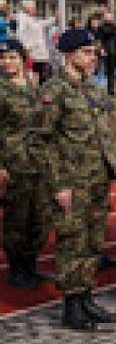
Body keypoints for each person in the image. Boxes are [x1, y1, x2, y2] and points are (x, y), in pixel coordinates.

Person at [37, 28, 116, 327]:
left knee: (93, 241)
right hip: (71, 181)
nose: (93, 57)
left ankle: (86, 297)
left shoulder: (94, 90)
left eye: (94, 52)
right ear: (69, 54)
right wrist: (59, 184)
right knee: (72, 242)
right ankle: (72, 305)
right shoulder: (54, 91)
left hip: (97, 178)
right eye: (86, 52)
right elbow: (41, 142)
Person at [0, 39, 52, 288]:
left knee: (39, 218)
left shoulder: (33, 88)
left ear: (23, 59)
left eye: (12, 57)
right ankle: (17, 269)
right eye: (3, 58)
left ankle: (31, 264)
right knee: (16, 220)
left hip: (38, 164)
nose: (7, 62)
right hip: (14, 164)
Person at [95, 11, 116, 95]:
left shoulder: (115, 27)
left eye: (111, 17)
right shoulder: (102, 27)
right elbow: (107, 32)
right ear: (105, 18)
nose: (110, 18)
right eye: (108, 17)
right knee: (110, 72)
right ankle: (110, 90)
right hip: (109, 52)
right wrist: (102, 49)